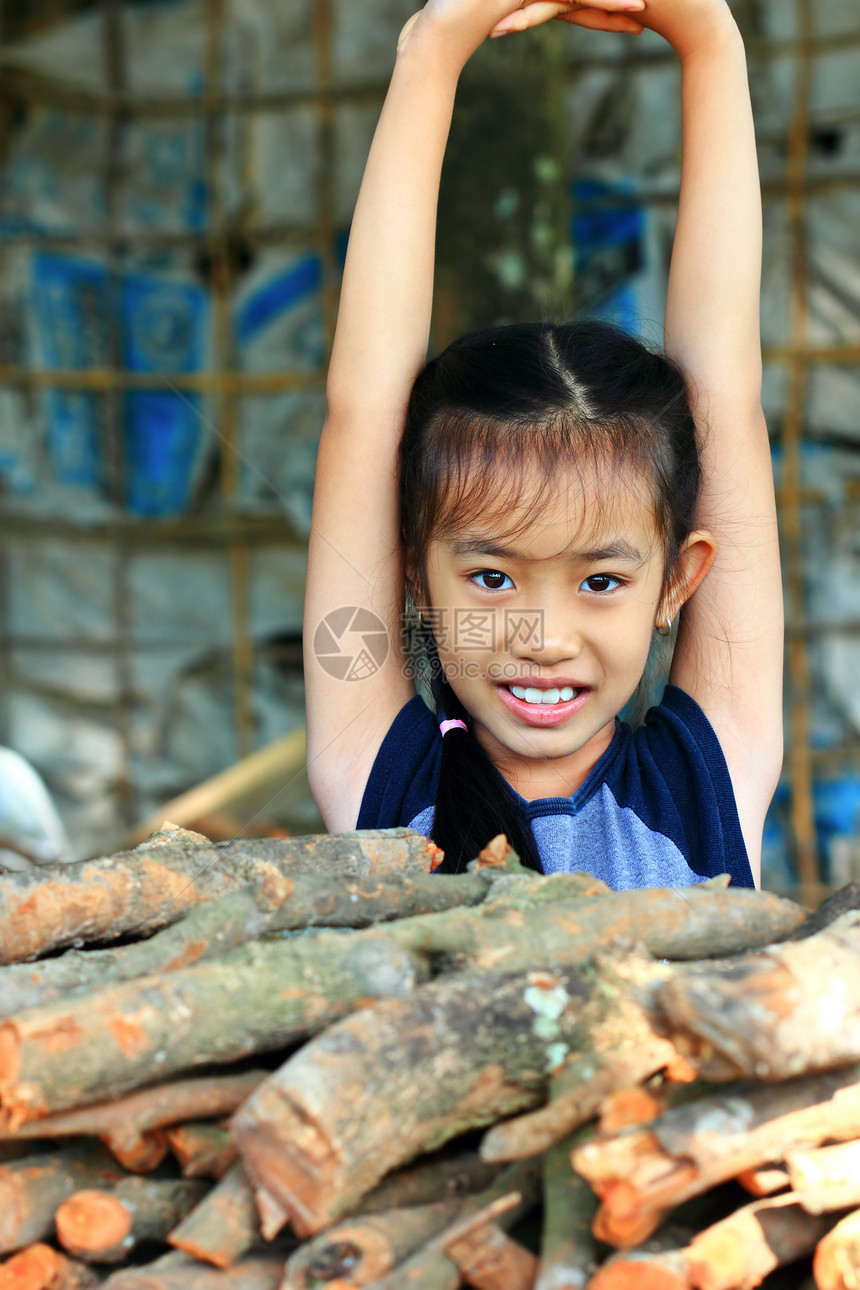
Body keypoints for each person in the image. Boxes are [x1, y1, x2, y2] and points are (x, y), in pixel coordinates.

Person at [303, 0, 783, 889]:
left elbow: (727, 399)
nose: (545, 638)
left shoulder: (704, 779)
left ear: (679, 580)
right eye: (492, 577)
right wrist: (434, 45)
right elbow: (364, 411)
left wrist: (709, 37)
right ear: (414, 575)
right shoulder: (387, 782)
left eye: (602, 582)